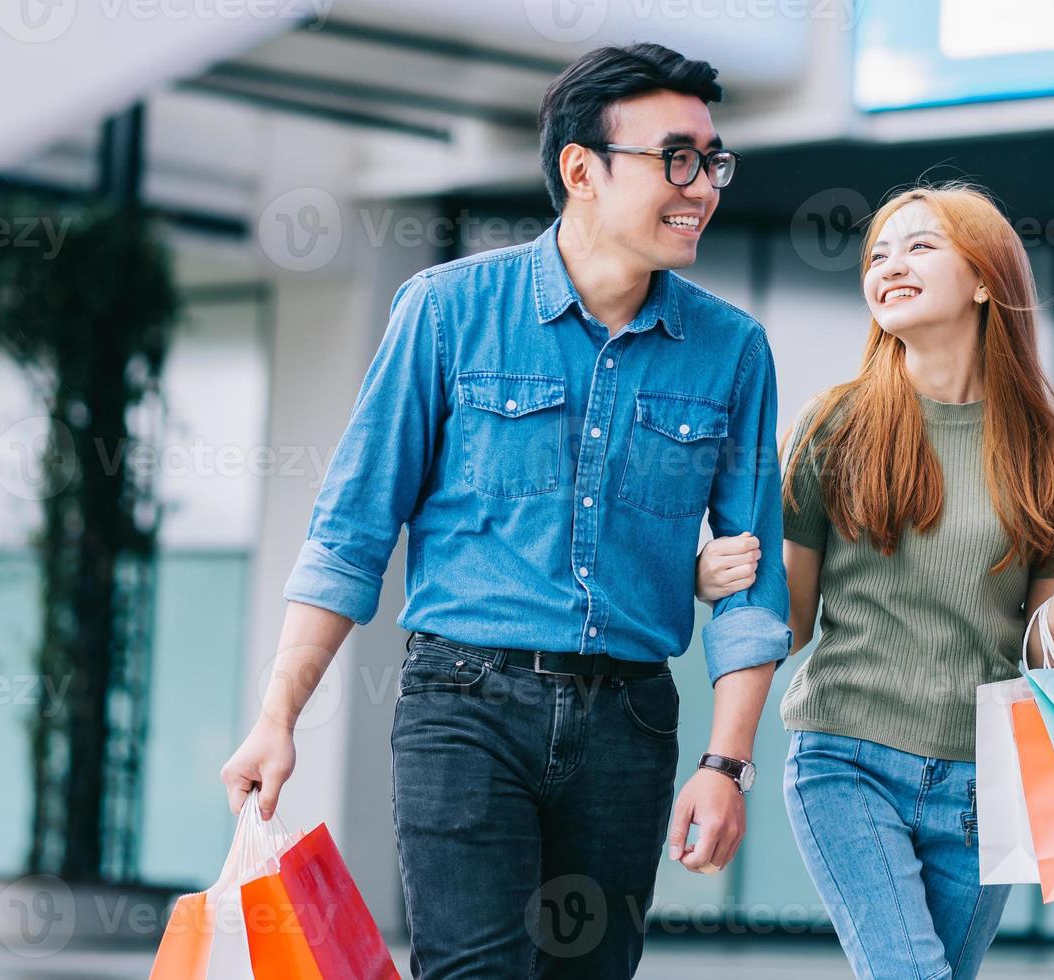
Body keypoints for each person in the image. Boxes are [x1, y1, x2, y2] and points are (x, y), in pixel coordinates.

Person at [219, 42, 793, 979]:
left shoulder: (731, 351)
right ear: (582, 170)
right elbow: (349, 535)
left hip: (631, 725)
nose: (702, 186)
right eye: (676, 158)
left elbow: (754, 584)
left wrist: (726, 767)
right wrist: (278, 717)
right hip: (465, 707)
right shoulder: (446, 312)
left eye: (711, 160)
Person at [696, 183, 1054, 978]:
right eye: (877, 254)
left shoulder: (1053, 447)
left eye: (918, 247)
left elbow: (1047, 657)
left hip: (985, 783)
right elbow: (790, 620)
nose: (888, 265)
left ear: (983, 280)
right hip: (845, 761)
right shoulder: (835, 422)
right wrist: (713, 579)